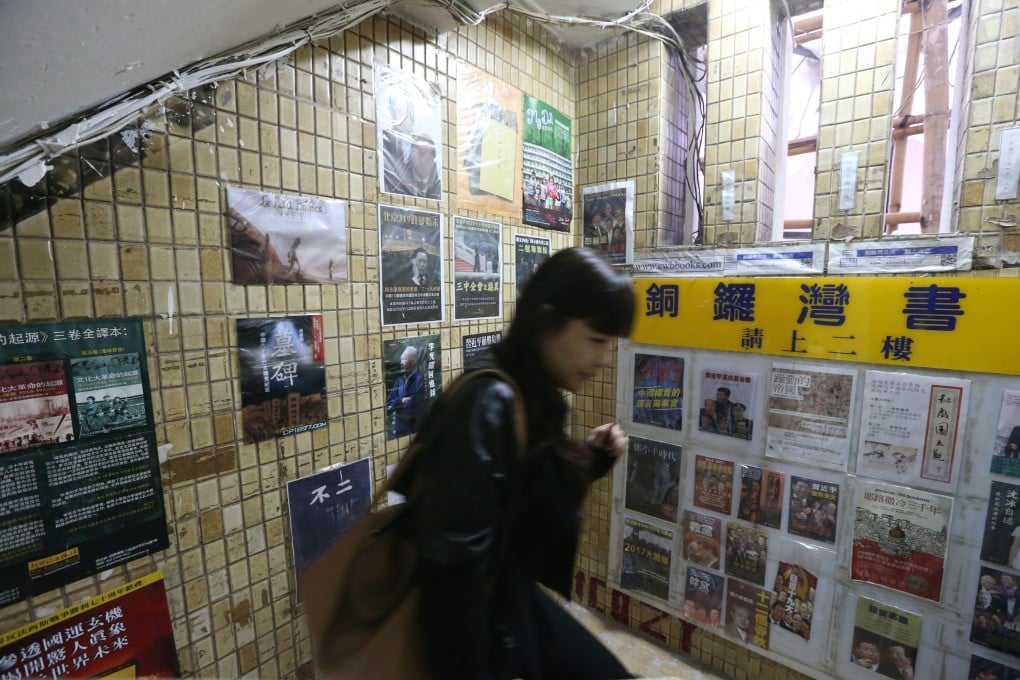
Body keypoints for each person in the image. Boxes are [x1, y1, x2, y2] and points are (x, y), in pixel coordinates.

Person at [392, 247, 636, 679]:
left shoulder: (532, 393)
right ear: (546, 321)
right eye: (597, 340)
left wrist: (592, 460)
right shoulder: (489, 401)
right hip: (481, 625)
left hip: (509, 599)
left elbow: (523, 499)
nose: (602, 360)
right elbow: (451, 578)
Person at [386, 345, 426, 439]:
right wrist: (401, 400)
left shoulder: (420, 379)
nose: (401, 363)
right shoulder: (399, 381)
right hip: (398, 428)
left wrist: (396, 403)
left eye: (404, 359)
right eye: (401, 359)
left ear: (414, 361)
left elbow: (413, 405)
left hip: (413, 429)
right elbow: (388, 405)